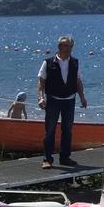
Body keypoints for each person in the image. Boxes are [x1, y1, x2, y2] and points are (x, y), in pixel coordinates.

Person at [37, 35, 88, 168]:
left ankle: (65, 157)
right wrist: (40, 97)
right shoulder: (48, 62)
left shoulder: (75, 62)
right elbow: (41, 81)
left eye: (70, 46)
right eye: (64, 45)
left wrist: (82, 97)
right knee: (50, 130)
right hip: (53, 99)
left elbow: (78, 81)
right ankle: (47, 159)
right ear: (59, 46)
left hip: (69, 100)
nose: (67, 48)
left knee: (67, 130)